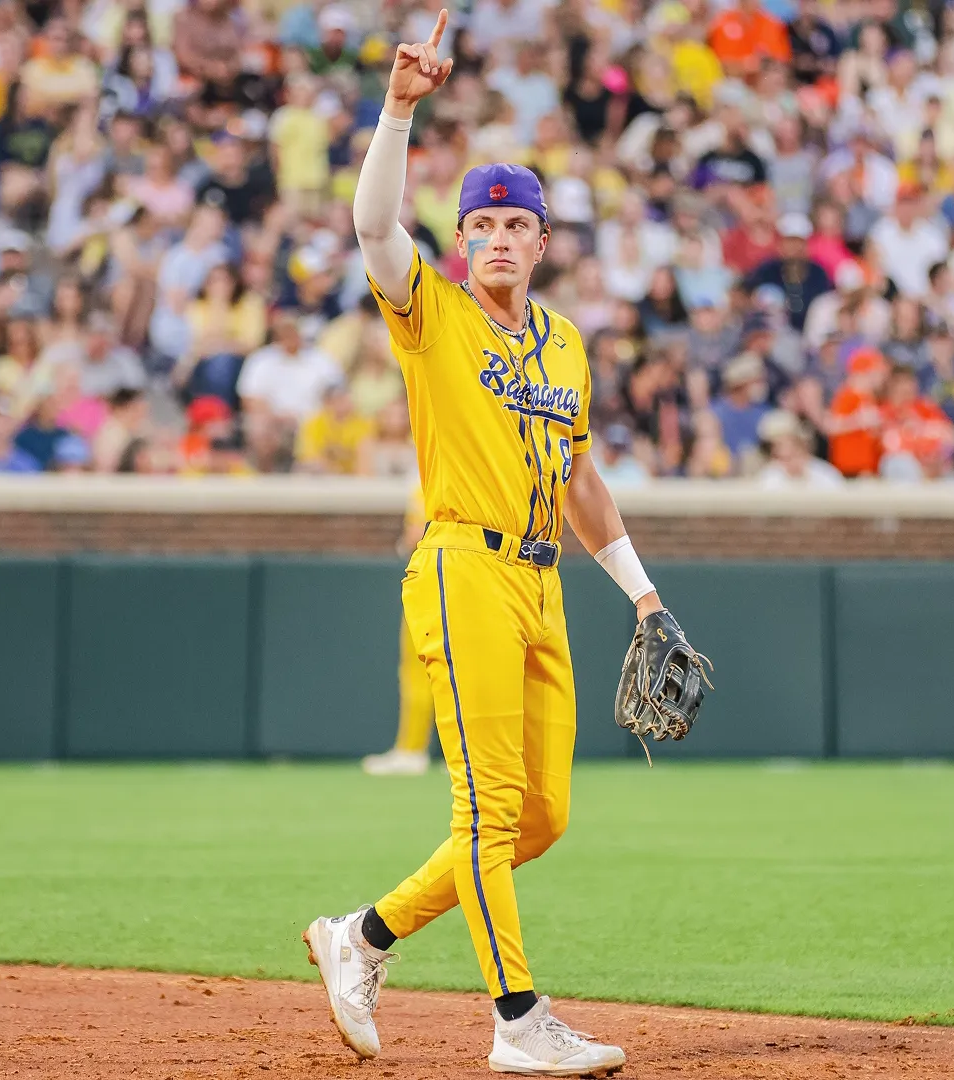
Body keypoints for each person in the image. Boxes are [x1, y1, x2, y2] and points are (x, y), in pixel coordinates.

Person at [305, 14, 703, 1076]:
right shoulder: (431, 310)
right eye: (479, 224)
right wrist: (398, 109)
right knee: (485, 811)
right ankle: (519, 1020)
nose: (493, 239)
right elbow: (375, 228)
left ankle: (363, 936)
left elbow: (579, 478)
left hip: (542, 582)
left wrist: (645, 598)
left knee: (541, 818)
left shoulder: (564, 341)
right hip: (460, 565)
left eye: (512, 225)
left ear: (539, 240)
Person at [362, 486, 436, 778]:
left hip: (433, 580)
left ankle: (411, 750)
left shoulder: (430, 483)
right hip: (477, 580)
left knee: (419, 671)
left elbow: (415, 535)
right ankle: (472, 753)